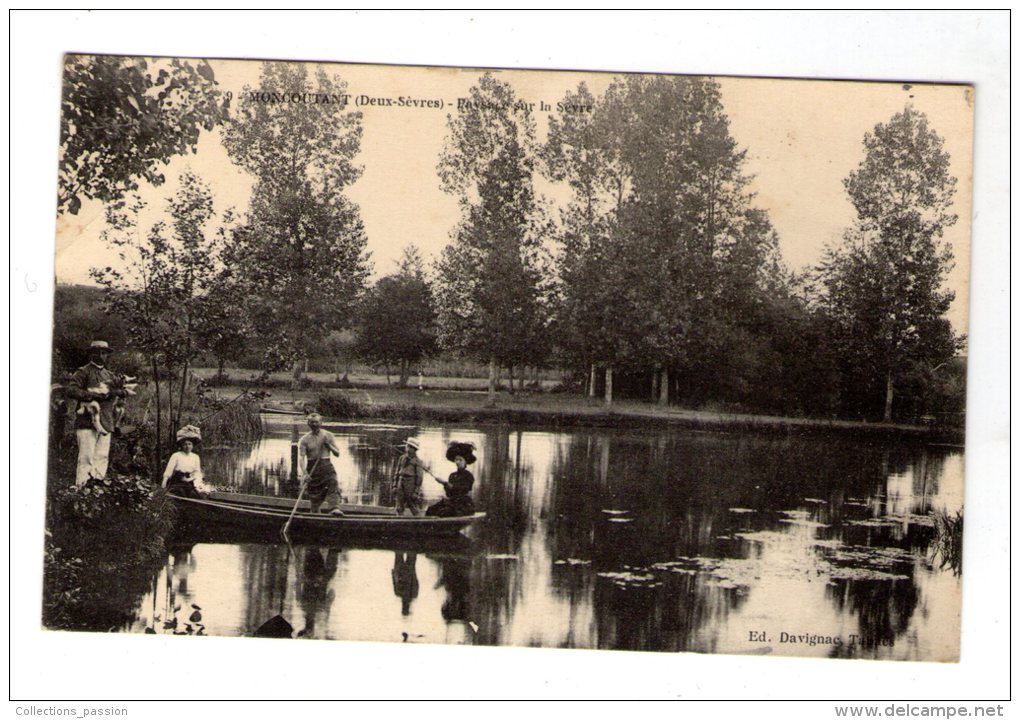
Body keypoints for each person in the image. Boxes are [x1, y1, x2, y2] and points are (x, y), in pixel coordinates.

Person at [65, 340, 133, 487]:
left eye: (104, 353)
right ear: (92, 354)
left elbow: (120, 389)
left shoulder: (109, 375)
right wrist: (91, 395)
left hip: (106, 420)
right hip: (87, 421)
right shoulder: (83, 371)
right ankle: (82, 489)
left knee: (102, 456)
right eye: (98, 352)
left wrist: (120, 392)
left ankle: (97, 489)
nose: (101, 356)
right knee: (86, 457)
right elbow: (71, 390)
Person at [298, 413, 344, 516]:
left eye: (316, 422)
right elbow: (301, 458)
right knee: (314, 496)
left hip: (326, 465)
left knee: (333, 482)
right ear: (308, 423)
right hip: (312, 467)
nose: (314, 424)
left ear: (321, 423)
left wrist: (328, 445)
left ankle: (334, 508)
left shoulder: (328, 435)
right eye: (311, 422)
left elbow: (337, 454)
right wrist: (305, 473)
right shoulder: (304, 439)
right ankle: (315, 516)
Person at [427, 444, 476, 517]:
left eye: (460, 459)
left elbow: (462, 490)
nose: (457, 462)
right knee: (430, 510)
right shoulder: (452, 475)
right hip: (452, 502)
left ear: (465, 461)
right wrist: (444, 485)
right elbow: (449, 494)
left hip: (462, 504)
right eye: (456, 459)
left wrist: (445, 483)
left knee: (443, 512)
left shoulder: (468, 476)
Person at [162, 426, 208, 498]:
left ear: (192, 446)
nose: (187, 446)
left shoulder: (195, 457)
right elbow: (169, 470)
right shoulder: (176, 455)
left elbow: (197, 472)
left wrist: (191, 480)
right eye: (185, 444)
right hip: (177, 482)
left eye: (189, 444)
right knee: (181, 494)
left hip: (189, 482)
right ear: (182, 445)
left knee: (197, 496)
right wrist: (164, 482)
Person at [392, 437, 424, 516]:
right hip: (401, 482)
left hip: (410, 484)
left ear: (415, 449)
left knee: (412, 504)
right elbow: (397, 472)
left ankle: (419, 522)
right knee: (399, 505)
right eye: (407, 446)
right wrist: (394, 485)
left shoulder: (418, 461)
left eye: (410, 447)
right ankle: (399, 521)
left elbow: (419, 477)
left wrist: (416, 492)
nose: (408, 449)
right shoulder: (402, 458)